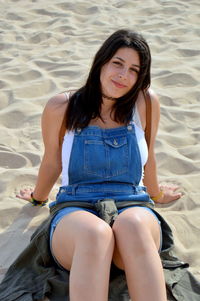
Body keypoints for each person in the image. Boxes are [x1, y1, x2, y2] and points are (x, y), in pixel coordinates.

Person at [16, 29, 182, 301]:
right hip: (75, 209)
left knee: (134, 225)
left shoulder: (146, 102)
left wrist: (157, 195)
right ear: (101, 62)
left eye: (133, 70)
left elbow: (148, 155)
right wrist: (37, 198)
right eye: (117, 63)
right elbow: (52, 161)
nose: (123, 75)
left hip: (133, 204)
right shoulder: (63, 106)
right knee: (95, 233)